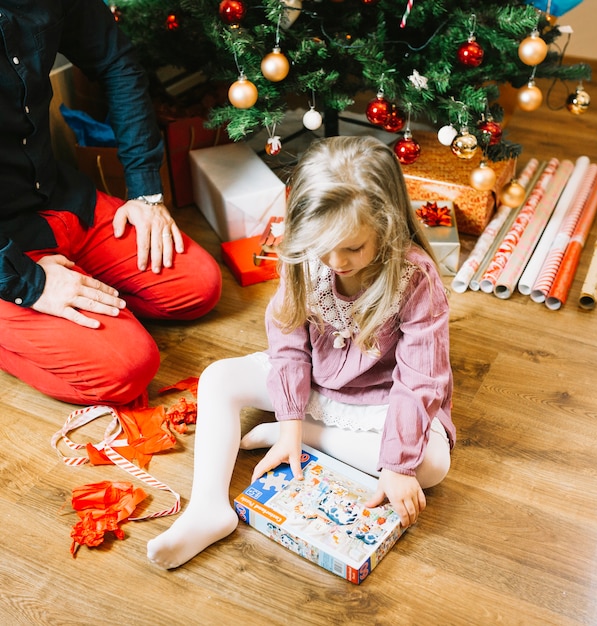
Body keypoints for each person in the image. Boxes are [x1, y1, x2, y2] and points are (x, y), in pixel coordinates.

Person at [147, 135, 456, 570]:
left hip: (383, 395)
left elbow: (421, 378)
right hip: (311, 378)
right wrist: (291, 417)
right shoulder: (306, 252)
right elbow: (289, 342)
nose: (335, 260)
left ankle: (306, 438)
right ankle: (207, 509)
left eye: (353, 248)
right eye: (323, 245)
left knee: (431, 465)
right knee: (217, 377)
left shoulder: (414, 275)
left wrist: (398, 466)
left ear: (385, 227)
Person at [0, 0, 222, 406]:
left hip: (59, 197)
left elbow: (115, 62)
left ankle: (80, 297)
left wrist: (144, 192)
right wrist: (26, 284)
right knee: (126, 370)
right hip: (8, 250)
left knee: (198, 287)